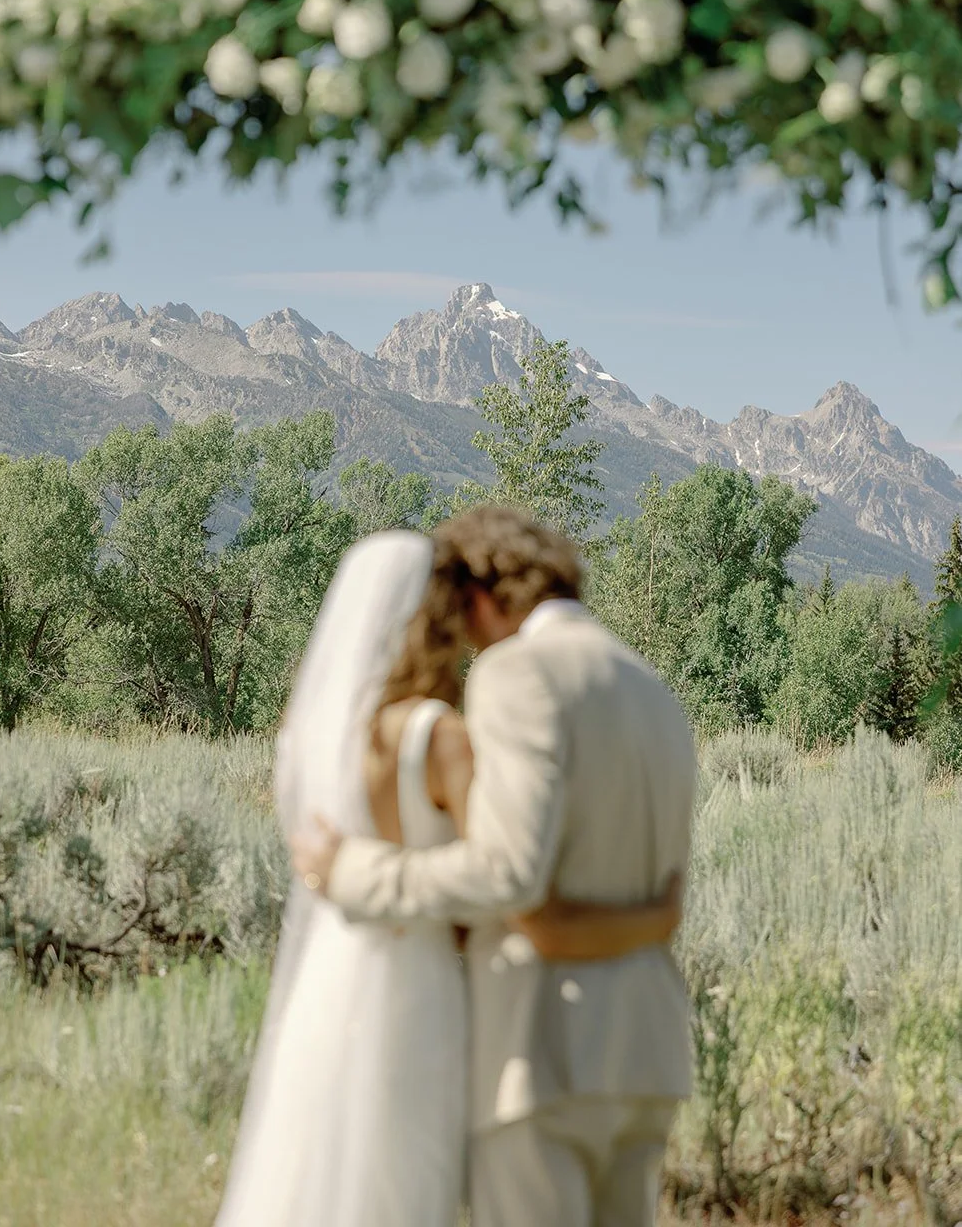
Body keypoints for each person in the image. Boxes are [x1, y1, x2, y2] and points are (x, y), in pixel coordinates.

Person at [216, 526, 684, 1227]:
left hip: (542, 1050)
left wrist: (355, 873)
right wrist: (654, 921)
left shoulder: (514, 672)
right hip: (648, 1051)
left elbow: (509, 873)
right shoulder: (651, 690)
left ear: (478, 595)